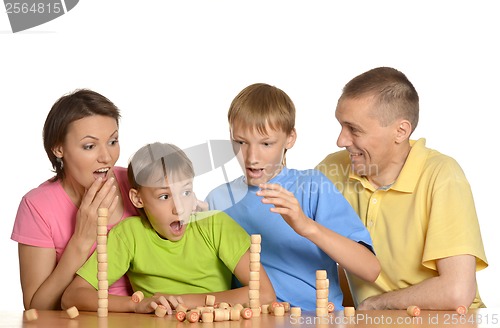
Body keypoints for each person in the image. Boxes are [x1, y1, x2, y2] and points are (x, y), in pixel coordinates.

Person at [316, 67, 488, 310]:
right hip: (372, 322)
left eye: (354, 129)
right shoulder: (331, 170)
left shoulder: (442, 176)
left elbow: (457, 290)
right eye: (341, 126)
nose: (341, 140)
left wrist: (375, 304)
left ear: (400, 131)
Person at [205, 83, 380, 311]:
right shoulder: (217, 200)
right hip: (251, 319)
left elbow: (370, 269)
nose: (252, 157)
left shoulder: (312, 187)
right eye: (240, 142)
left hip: (316, 319)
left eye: (266, 143)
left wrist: (306, 225)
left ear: (290, 138)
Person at [61, 142, 276, 314]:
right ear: (137, 199)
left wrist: (186, 302)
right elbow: (73, 296)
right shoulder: (129, 235)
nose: (179, 207)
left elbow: (264, 294)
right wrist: (136, 305)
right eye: (164, 196)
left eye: (185, 192)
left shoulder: (215, 225)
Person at [11, 89, 138, 310]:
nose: (106, 157)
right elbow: (36, 308)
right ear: (58, 148)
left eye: (112, 141)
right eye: (89, 146)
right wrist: (81, 240)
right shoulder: (37, 206)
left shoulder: (135, 183)